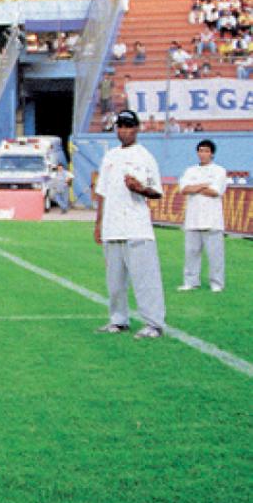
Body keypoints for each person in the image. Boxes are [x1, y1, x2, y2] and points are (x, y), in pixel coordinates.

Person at [94, 109, 166, 339]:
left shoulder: (145, 157)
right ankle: (118, 320)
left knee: (145, 279)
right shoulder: (110, 157)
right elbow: (102, 193)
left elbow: (157, 191)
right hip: (112, 227)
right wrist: (98, 224)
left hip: (137, 227)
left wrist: (140, 189)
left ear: (137, 128)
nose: (124, 131)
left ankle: (154, 323)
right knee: (114, 282)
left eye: (128, 126)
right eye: (121, 126)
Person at [177, 139, 227, 292]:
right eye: (200, 150)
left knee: (215, 255)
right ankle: (191, 281)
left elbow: (215, 192)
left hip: (212, 219)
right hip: (193, 218)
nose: (203, 154)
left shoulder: (219, 171)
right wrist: (203, 185)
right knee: (191, 253)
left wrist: (195, 187)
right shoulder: (190, 170)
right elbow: (184, 189)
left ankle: (217, 283)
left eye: (206, 151)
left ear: (211, 153)